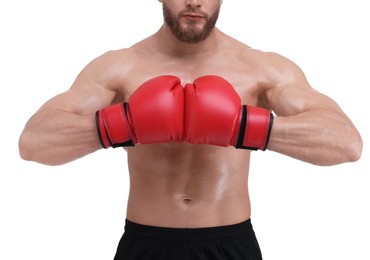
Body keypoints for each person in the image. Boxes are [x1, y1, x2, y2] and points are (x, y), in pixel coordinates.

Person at [18, 0, 363, 259]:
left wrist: (244, 126)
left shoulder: (260, 68)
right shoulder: (119, 67)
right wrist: (122, 124)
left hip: (231, 245)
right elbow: (34, 142)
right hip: (145, 245)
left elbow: (346, 143)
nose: (195, 0)